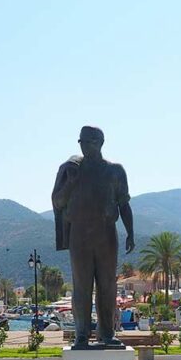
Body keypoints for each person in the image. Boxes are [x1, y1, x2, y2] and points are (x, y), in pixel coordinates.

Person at [52, 126, 135, 348]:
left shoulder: (115, 171)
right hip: (79, 234)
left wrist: (130, 232)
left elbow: (124, 204)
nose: (83, 146)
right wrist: (71, 182)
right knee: (81, 286)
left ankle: (107, 333)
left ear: (99, 143)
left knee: (107, 285)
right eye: (81, 142)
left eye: (88, 142)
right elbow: (58, 202)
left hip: (106, 234)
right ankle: (81, 334)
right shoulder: (70, 170)